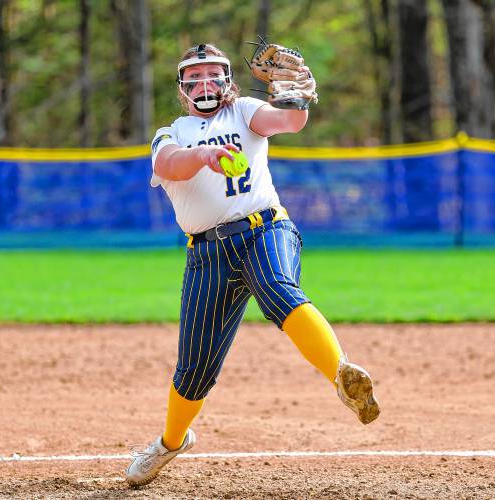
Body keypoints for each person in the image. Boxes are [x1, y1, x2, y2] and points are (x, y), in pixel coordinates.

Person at [126, 43, 380, 487]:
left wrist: (294, 96)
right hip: (208, 254)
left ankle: (341, 374)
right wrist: (205, 156)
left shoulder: (243, 111)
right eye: (194, 77)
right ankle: (171, 442)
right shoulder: (171, 133)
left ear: (228, 81)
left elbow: (287, 121)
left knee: (279, 289)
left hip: (265, 229)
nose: (205, 84)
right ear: (182, 88)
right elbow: (171, 165)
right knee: (195, 369)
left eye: (213, 75)